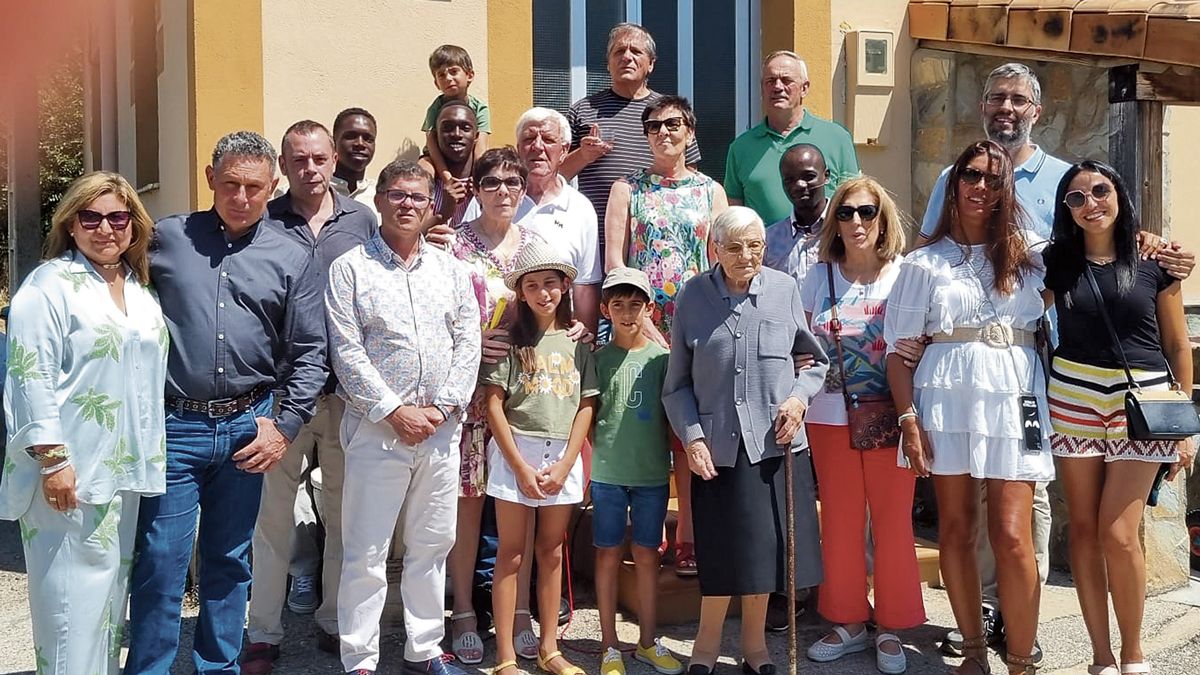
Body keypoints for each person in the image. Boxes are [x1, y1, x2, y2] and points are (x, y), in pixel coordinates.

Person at [918, 63, 1194, 662]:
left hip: (1040, 368)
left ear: (1036, 110)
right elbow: (940, 250)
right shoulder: (952, 176)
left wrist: (1150, 245)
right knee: (981, 518)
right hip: (1027, 377)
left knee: (1028, 513)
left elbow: (1114, 248)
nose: (1005, 108)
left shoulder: (1066, 177)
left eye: (1018, 99)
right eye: (995, 97)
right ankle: (994, 616)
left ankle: (1027, 627)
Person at [126, 131, 327, 674]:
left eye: (254, 187)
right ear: (211, 177)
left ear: (273, 186)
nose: (241, 196)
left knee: (230, 561)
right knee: (161, 562)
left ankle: (219, 667)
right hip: (175, 426)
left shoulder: (291, 256)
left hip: (249, 428)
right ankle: (148, 668)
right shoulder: (165, 238)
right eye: (231, 183)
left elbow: (310, 352)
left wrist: (282, 427)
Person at [885, 141, 1052, 675]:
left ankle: (1022, 660)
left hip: (1015, 395)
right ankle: (975, 652)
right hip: (944, 399)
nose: (981, 186)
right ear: (954, 185)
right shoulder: (922, 263)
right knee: (955, 527)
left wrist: (1152, 243)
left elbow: (1103, 242)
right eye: (971, 175)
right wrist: (908, 421)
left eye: (993, 178)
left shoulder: (1033, 256)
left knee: (1011, 532)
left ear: (1007, 190)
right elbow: (898, 353)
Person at [1, 171, 167, 674]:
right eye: (90, 217)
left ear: (134, 225)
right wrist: (52, 461)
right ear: (70, 224)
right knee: (70, 608)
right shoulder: (49, 285)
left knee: (107, 606)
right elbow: (30, 374)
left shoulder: (138, 290)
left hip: (124, 472)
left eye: (118, 217)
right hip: (68, 474)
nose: (105, 228)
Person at [326, 159, 481, 675]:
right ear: (380, 200)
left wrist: (440, 407)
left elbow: (468, 343)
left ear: (433, 203)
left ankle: (424, 648)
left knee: (432, 544)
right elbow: (346, 352)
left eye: (418, 196)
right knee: (366, 550)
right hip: (378, 432)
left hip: (439, 431)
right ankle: (361, 659)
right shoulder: (350, 268)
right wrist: (394, 411)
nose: (407, 204)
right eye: (397, 194)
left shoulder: (451, 271)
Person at [1043, 161, 1196, 675]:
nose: (1091, 203)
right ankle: (1100, 657)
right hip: (1074, 396)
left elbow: (1177, 343)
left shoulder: (1156, 260)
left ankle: (1134, 655)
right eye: (1077, 198)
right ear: (1067, 209)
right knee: (1083, 530)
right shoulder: (1055, 262)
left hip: (1144, 402)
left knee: (1118, 532)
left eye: (1100, 191)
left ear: (1119, 195)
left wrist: (1187, 427)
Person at [663, 205, 829, 675]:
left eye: (755, 246)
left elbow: (814, 362)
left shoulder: (783, 290)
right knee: (718, 558)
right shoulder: (693, 297)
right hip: (715, 451)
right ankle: (705, 648)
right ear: (715, 249)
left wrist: (798, 401)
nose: (746, 256)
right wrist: (692, 438)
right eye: (734, 247)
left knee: (762, 558)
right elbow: (676, 387)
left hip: (774, 446)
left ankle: (755, 649)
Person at [243, 120, 378, 672]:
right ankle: (263, 633)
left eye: (319, 158)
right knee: (272, 521)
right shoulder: (263, 220)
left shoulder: (362, 219)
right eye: (298, 160)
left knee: (347, 518)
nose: (310, 169)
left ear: (333, 160)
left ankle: (334, 620)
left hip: (348, 395)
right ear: (283, 164)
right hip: (280, 397)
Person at [800, 177, 924, 674]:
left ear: (883, 219)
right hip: (829, 417)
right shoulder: (817, 276)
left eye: (867, 212)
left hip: (893, 415)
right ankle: (849, 620)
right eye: (847, 213)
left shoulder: (907, 275)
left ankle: (890, 626)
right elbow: (801, 347)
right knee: (841, 520)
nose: (856, 222)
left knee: (893, 522)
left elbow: (926, 338)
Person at [604, 94, 727, 577]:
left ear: (690, 131)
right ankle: (644, 534)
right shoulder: (626, 189)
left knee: (689, 434)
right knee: (642, 429)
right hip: (642, 328)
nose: (663, 132)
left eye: (672, 123)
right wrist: (646, 324)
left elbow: (719, 263)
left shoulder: (710, 191)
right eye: (653, 125)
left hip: (696, 330)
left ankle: (690, 536)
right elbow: (616, 261)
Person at [482, 240, 598, 675]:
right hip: (518, 450)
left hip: (562, 455)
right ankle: (506, 657)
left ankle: (549, 648)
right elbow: (494, 403)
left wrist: (569, 462)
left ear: (565, 286)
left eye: (551, 284)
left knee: (551, 552)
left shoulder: (578, 343)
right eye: (533, 285)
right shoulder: (510, 342)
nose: (543, 293)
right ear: (522, 293)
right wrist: (517, 465)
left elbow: (587, 404)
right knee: (511, 553)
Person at [448, 147, 543, 664]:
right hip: (469, 397)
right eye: (492, 183)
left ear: (524, 189)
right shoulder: (453, 247)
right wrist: (472, 339)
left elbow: (553, 308)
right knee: (467, 504)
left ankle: (521, 609)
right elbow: (440, 315)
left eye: (512, 182)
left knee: (517, 508)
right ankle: (463, 609)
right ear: (477, 189)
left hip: (523, 397)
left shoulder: (536, 245)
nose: (503, 191)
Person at [591, 267, 683, 675]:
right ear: (605, 309)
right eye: (618, 305)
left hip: (651, 477)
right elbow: (590, 417)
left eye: (635, 305)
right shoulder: (596, 360)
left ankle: (647, 640)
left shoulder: (663, 359)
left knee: (647, 556)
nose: (627, 313)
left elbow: (671, 418)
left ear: (650, 309)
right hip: (608, 476)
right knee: (608, 555)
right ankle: (609, 645)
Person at [562, 22, 701, 254]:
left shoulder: (669, 114)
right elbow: (558, 176)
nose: (627, 57)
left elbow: (690, 176)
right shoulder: (583, 110)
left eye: (636, 51)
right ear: (608, 64)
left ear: (651, 64)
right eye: (619, 51)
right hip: (599, 241)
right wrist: (583, 155)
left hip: (659, 241)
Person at [462, 107, 604, 332]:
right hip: (485, 343)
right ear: (518, 148)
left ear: (564, 150)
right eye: (528, 139)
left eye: (548, 139)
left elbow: (585, 285)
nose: (537, 146)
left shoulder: (581, 209)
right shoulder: (490, 199)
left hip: (550, 346)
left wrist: (586, 343)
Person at [724, 50, 858, 224]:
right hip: (767, 249)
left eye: (786, 80)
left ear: (804, 88)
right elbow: (735, 215)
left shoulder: (837, 138)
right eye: (770, 81)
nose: (778, 87)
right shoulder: (740, 148)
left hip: (826, 247)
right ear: (762, 88)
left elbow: (854, 199)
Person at [422, 44, 490, 185]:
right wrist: (446, 176)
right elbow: (432, 144)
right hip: (437, 157)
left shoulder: (480, 108)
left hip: (466, 155)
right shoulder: (434, 108)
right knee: (424, 167)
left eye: (454, 71)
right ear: (436, 83)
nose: (448, 78)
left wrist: (478, 174)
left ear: (469, 75)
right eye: (441, 75)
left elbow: (481, 146)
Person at [420, 102, 479, 230]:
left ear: (476, 136)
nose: (456, 134)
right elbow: (407, 239)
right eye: (447, 127)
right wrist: (444, 212)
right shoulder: (424, 183)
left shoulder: (490, 185)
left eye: (465, 128)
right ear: (436, 136)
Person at [331, 107, 379, 215]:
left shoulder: (383, 196)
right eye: (351, 136)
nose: (360, 143)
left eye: (368, 139)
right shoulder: (309, 192)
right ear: (334, 142)